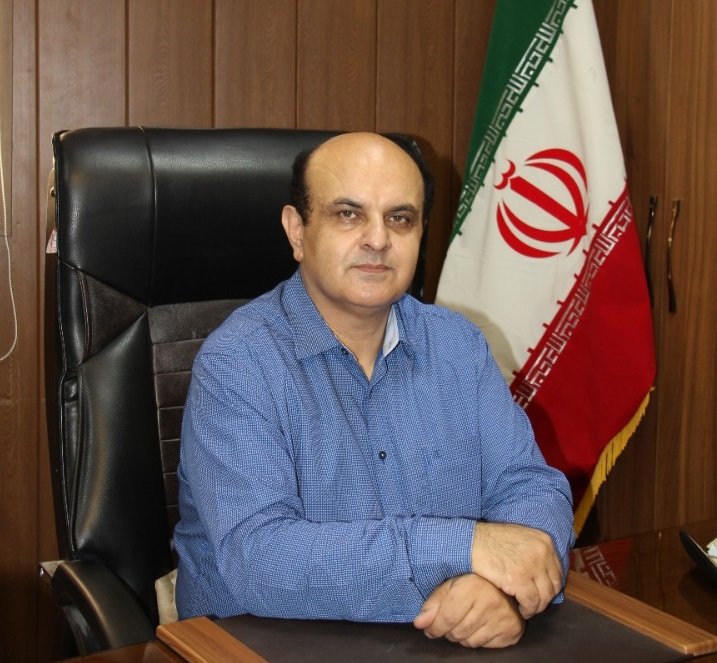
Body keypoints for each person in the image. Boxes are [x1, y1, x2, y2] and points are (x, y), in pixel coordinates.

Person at [174, 132, 575, 649]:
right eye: (348, 214)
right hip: (265, 646)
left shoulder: (458, 346)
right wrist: (465, 548)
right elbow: (261, 559)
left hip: (439, 643)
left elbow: (530, 487)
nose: (378, 240)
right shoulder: (238, 364)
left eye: (400, 218)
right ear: (297, 231)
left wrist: (499, 588)